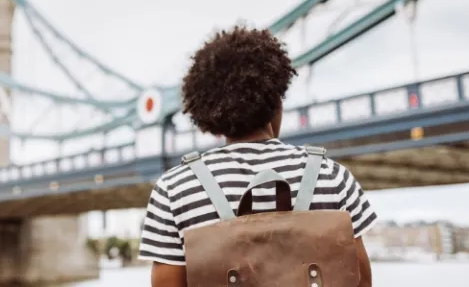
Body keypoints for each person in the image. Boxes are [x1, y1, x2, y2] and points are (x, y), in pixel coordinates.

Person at [138, 24, 377, 287]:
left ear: (207, 113)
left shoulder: (174, 190)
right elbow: (362, 282)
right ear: (277, 100)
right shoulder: (332, 176)